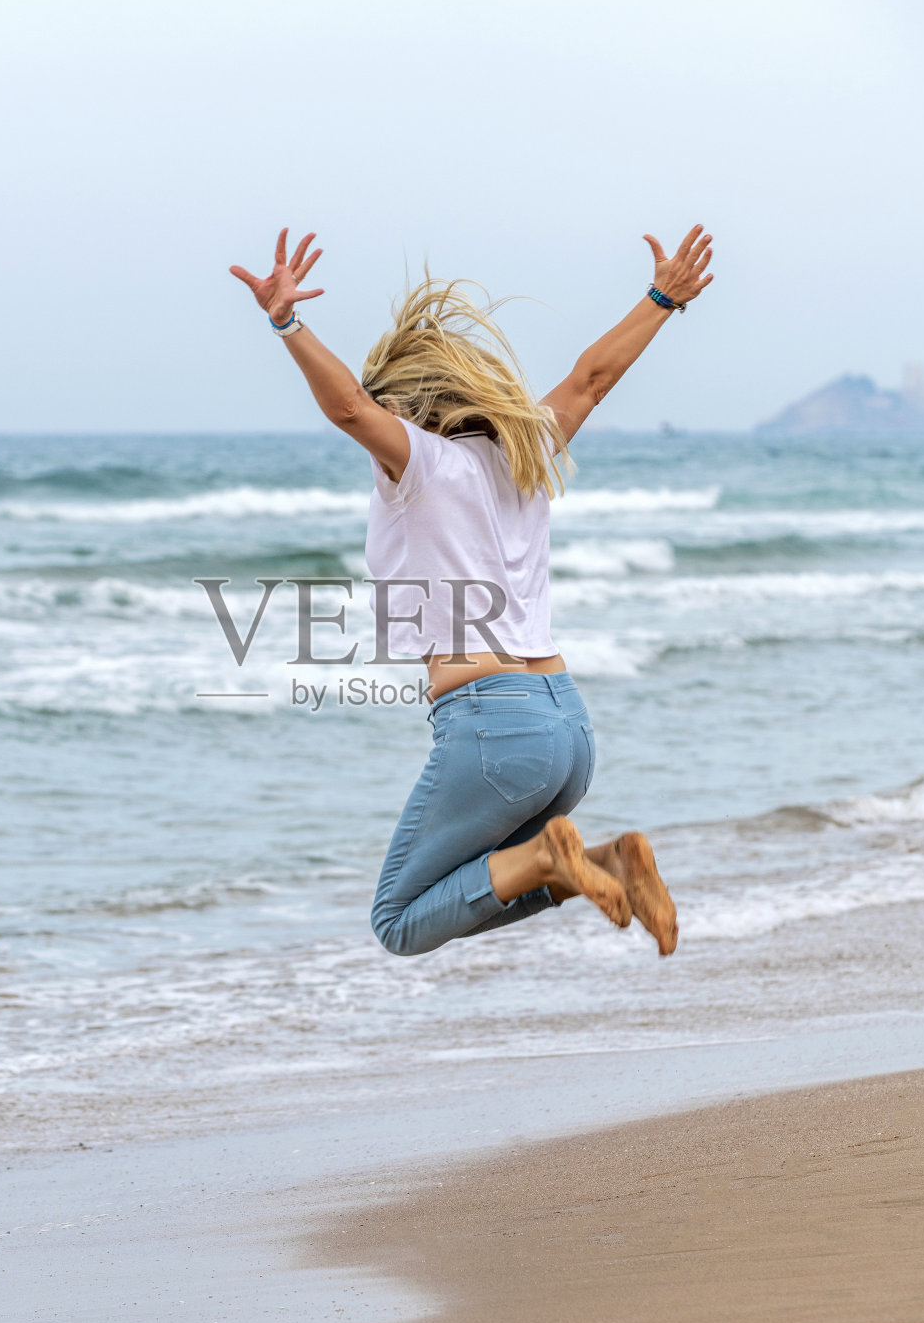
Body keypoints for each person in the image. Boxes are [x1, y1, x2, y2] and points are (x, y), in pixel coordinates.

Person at [229, 226, 713, 958]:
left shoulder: (420, 462)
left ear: (408, 405)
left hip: (494, 726)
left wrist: (286, 323)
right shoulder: (524, 446)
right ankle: (603, 862)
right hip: (568, 729)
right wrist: (660, 299)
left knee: (397, 922)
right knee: (482, 882)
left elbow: (350, 410)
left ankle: (556, 857)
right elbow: (590, 379)